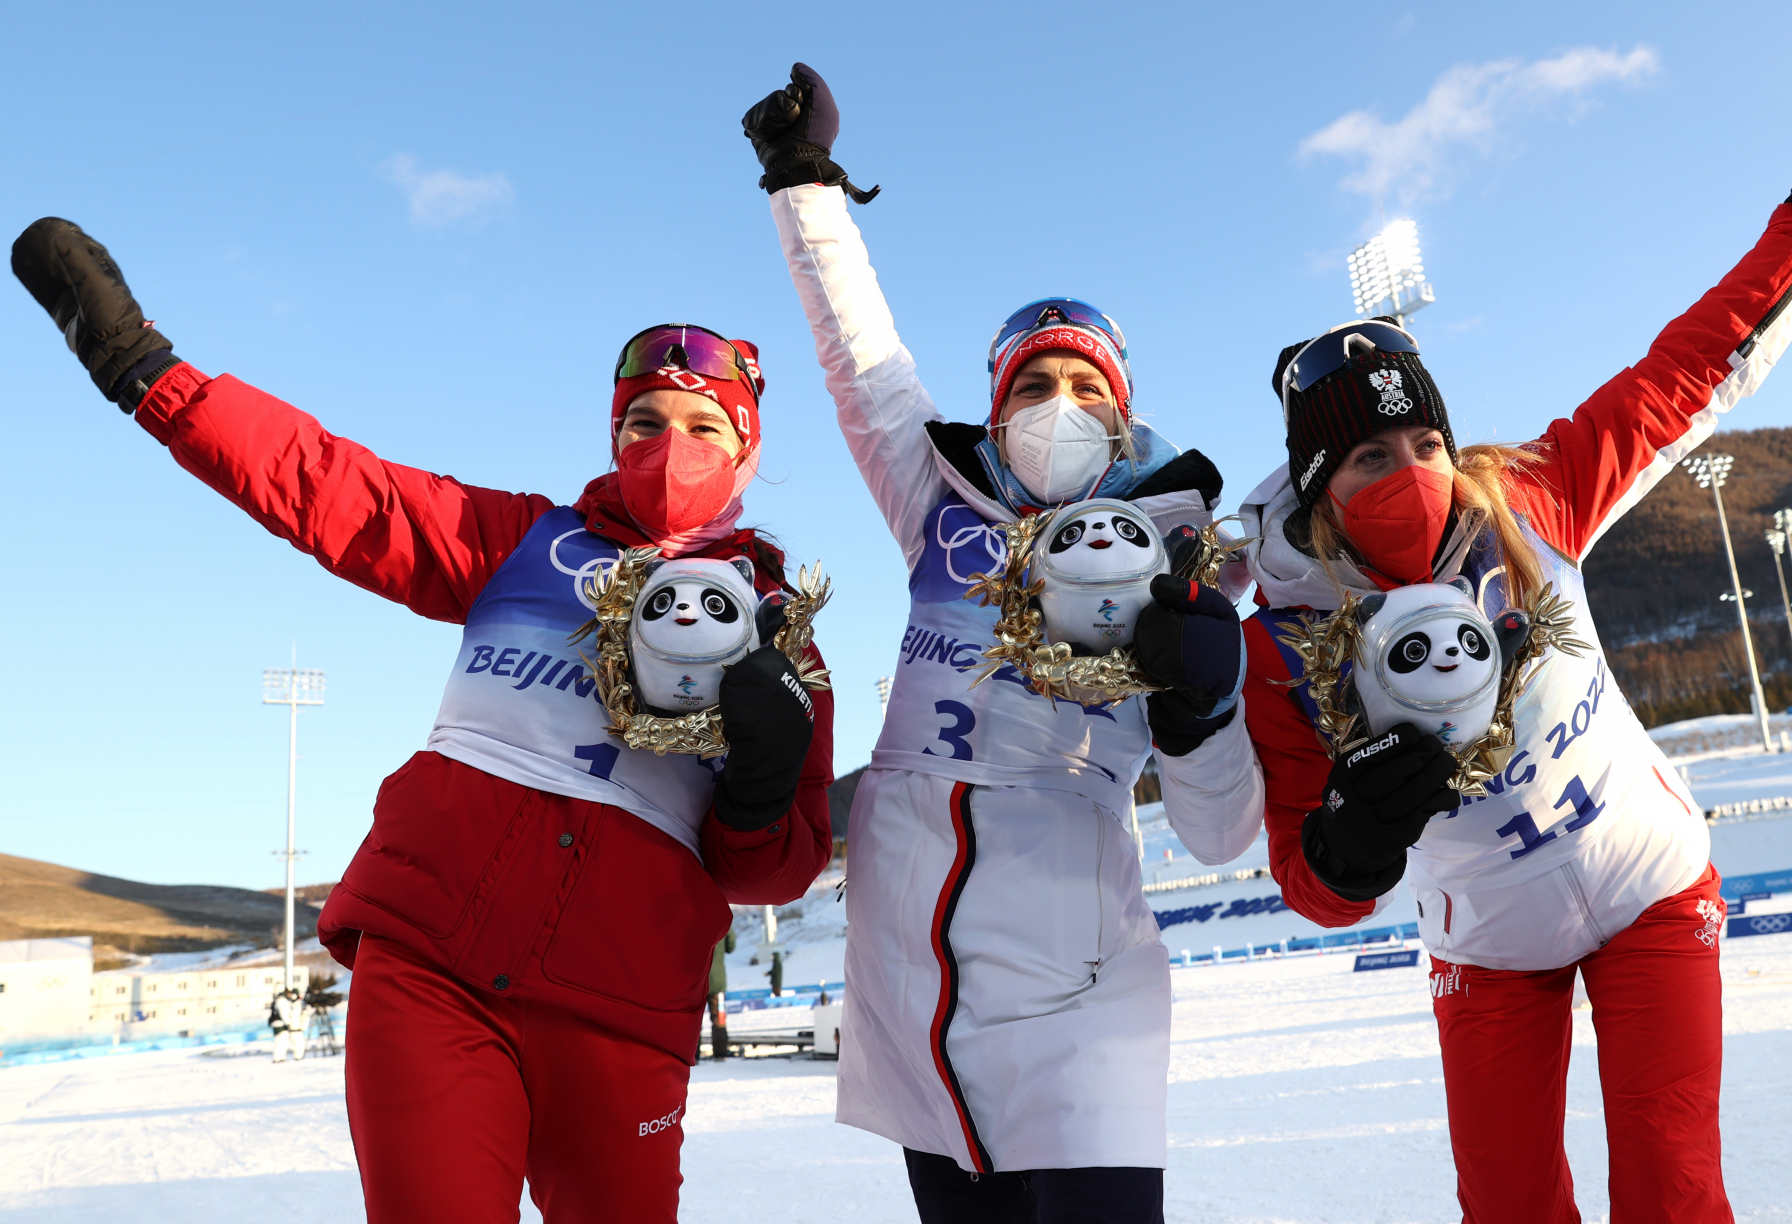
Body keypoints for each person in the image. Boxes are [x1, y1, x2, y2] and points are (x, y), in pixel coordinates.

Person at [10, 226, 836, 1223]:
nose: (671, 446)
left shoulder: (780, 634)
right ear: (614, 437)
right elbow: (330, 485)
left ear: (747, 446)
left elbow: (774, 871)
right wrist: (149, 372)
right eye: (644, 421)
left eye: (705, 426)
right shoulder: (522, 543)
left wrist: (759, 778)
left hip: (621, 1017)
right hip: (433, 971)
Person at [1235, 81, 1792, 1223]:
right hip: (1489, 946)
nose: (1408, 473)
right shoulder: (1283, 646)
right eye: (1365, 461)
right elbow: (1306, 876)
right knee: (1504, 1202)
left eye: (1424, 442)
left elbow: (1689, 371)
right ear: (1315, 493)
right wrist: (1347, 850)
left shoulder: (1529, 501)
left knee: (1669, 1182)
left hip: (1645, 883)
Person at [741, 64, 1265, 1224]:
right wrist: (805, 189)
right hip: (909, 989)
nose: (1058, 402)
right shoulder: (941, 507)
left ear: (1122, 415)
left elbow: (1221, 834)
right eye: (1033, 383)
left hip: (1081, 991)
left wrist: (1199, 712)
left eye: (1085, 383)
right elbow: (860, 363)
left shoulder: (1176, 565)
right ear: (994, 404)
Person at [269, 987, 308, 1063]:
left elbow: (304, 1015)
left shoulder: (298, 1003)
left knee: (293, 1042)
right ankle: (279, 1058)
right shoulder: (283, 1001)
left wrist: (302, 1025)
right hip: (284, 1025)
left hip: (294, 1026)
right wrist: (289, 1022)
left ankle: (296, 1056)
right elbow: (284, 1014)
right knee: (281, 1042)